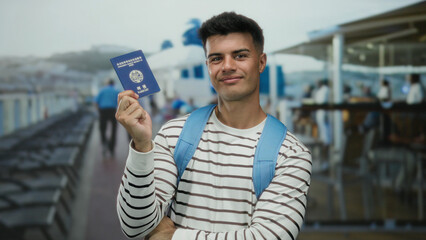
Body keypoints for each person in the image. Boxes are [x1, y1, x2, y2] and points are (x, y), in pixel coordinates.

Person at [115, 12, 311, 240]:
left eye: (240, 56)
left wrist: (172, 237)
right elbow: (135, 227)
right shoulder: (174, 134)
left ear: (261, 62)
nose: (227, 66)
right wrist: (141, 146)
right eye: (216, 58)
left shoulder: (291, 154)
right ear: (208, 66)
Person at [95, 78, 120, 156]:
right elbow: (120, 102)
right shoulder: (116, 91)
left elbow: (95, 102)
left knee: (102, 129)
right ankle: (112, 148)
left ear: (107, 83)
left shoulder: (102, 90)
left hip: (103, 111)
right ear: (113, 84)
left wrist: (98, 111)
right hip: (113, 111)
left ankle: (104, 143)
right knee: (114, 130)